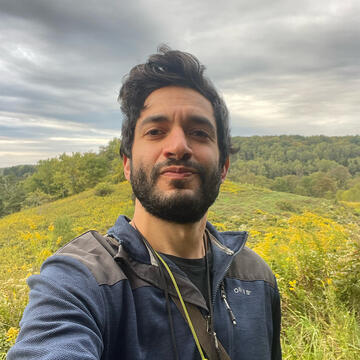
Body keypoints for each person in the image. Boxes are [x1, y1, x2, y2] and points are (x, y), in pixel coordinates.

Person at [7, 46, 281, 360]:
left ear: (223, 167)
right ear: (127, 163)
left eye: (199, 132)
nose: (178, 146)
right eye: (155, 131)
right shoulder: (81, 279)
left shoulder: (256, 277)